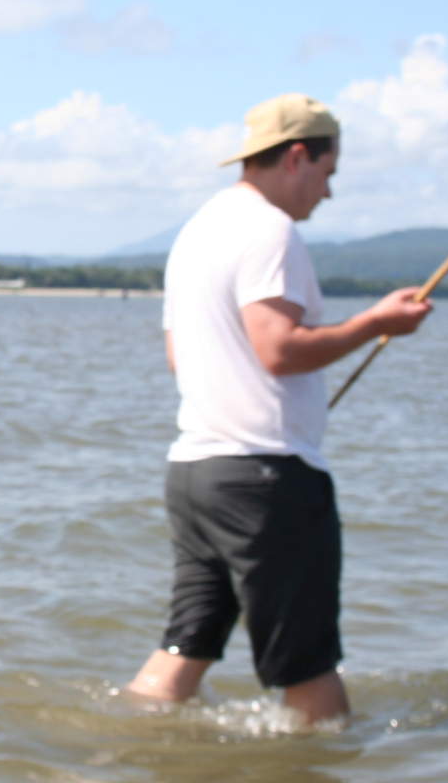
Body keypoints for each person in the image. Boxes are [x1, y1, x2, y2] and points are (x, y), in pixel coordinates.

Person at [124, 94, 430, 725]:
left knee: (185, 649)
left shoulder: (199, 230)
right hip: (265, 480)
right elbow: (279, 349)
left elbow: (183, 358)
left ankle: (117, 761)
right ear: (297, 157)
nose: (328, 194)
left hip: (196, 474)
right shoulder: (269, 230)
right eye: (328, 173)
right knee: (309, 669)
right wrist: (377, 323)